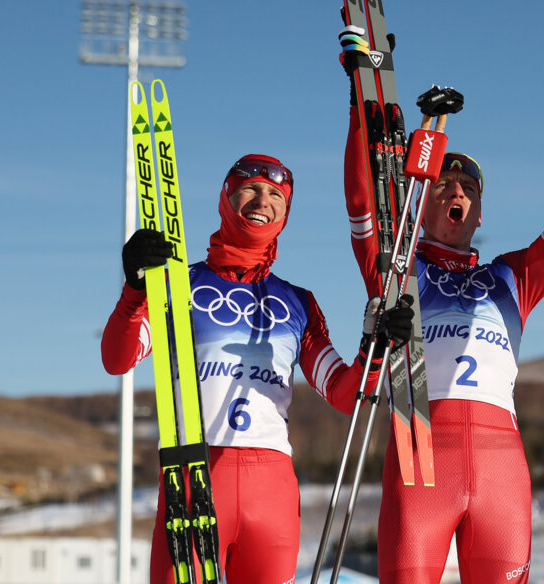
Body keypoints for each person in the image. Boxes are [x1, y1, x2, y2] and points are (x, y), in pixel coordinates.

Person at [338, 27, 544, 583]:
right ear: (421, 206)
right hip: (419, 449)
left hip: (502, 462)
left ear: (479, 214)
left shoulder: (511, 276)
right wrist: (361, 94)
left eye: (469, 190)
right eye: (445, 183)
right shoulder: (399, 264)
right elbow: (362, 202)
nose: (457, 192)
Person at [101, 154, 412, 584]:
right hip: (193, 477)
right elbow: (118, 359)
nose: (262, 198)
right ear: (226, 198)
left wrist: (376, 347)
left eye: (275, 194)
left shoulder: (298, 303)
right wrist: (136, 292)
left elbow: (345, 394)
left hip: (272, 491)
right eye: (249, 187)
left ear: (285, 213)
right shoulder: (176, 285)